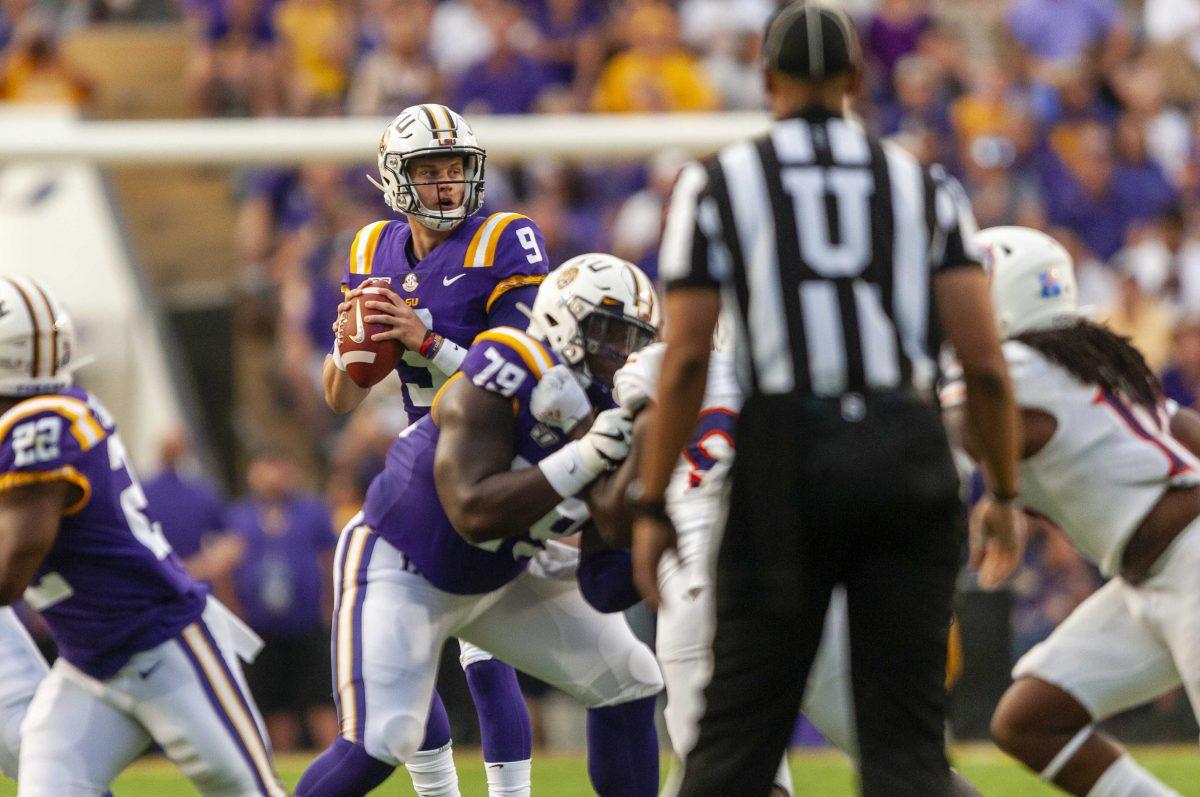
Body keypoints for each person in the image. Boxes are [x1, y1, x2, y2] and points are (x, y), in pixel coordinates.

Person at [630, 3, 1023, 795]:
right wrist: (1005, 493)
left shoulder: (717, 184)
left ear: (766, 79)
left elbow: (683, 364)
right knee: (905, 749)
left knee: (736, 739)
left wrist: (649, 500)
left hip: (786, 448)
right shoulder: (921, 182)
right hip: (904, 443)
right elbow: (983, 364)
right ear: (857, 77)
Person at [295, 255, 664, 797]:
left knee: (629, 679)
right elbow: (472, 508)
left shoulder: (615, 414)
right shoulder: (510, 361)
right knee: (383, 737)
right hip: (404, 559)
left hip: (503, 568)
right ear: (565, 319)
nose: (620, 353)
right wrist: (588, 457)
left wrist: (642, 489)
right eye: (607, 331)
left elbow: (605, 586)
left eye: (632, 339)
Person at [311, 104, 547, 797]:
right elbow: (340, 398)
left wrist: (426, 340)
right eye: (429, 170)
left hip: (504, 454)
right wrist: (350, 347)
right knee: (402, 650)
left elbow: (530, 370)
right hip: (426, 456)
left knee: (487, 652)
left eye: (454, 168)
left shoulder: (506, 238)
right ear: (394, 178)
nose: (445, 183)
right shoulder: (368, 251)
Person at [0, 276, 284, 796]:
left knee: (247, 790)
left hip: (163, 642)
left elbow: (13, 564)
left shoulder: (42, 424)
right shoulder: (44, 416)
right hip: (90, 665)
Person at [947, 227, 1200, 797]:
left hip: (1187, 560)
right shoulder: (1084, 358)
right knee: (1030, 721)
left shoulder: (1017, 365)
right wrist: (999, 496)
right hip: (1151, 579)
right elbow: (1181, 428)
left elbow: (964, 423)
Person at [225, 448, 338, 753]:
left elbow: (330, 560)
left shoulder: (311, 511)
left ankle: (334, 762)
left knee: (319, 700)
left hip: (307, 624)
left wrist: (331, 606)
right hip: (261, 627)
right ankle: (283, 768)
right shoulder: (240, 515)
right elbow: (227, 566)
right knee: (274, 706)